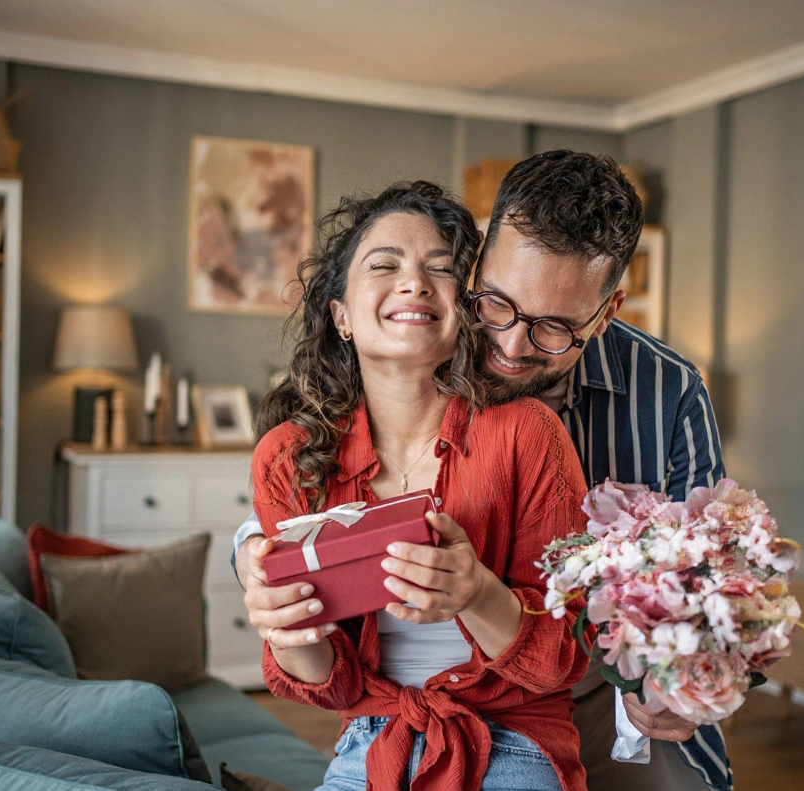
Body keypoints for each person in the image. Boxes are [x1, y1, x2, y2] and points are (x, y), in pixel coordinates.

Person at [236, 151, 732, 791]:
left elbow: (709, 583)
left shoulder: (663, 392)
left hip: (602, 682)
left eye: (554, 327)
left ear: (606, 315)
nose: (512, 345)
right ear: (476, 273)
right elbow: (278, 553)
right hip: (403, 714)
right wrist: (262, 569)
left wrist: (666, 681)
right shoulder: (305, 446)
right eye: (496, 305)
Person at [245, 180, 593, 791]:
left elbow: (562, 659)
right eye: (384, 266)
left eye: (441, 269)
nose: (414, 283)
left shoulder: (528, 436)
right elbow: (332, 683)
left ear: (468, 310)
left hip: (514, 737)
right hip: (372, 737)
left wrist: (477, 593)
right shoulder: (289, 459)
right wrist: (288, 630)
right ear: (342, 316)